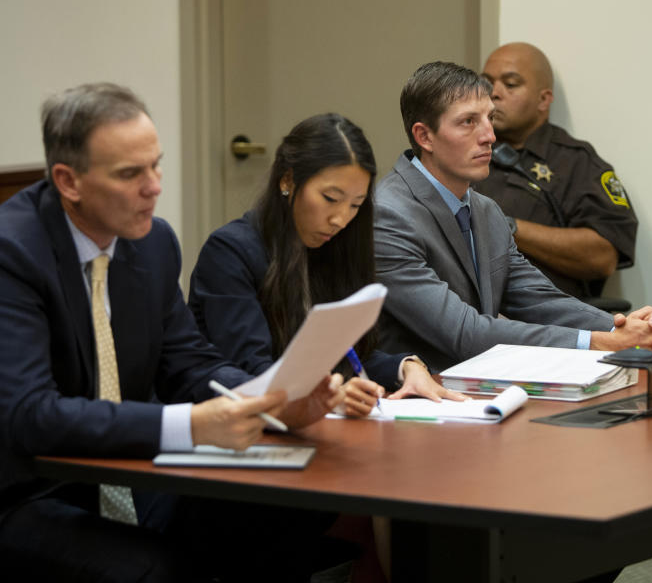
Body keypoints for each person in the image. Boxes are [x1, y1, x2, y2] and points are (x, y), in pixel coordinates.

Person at [0, 83, 345, 582]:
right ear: (68, 181)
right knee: (153, 569)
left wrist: (273, 397)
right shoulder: (3, 253)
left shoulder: (153, 242)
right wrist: (193, 426)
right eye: (130, 174)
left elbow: (189, 362)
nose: (154, 187)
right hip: (24, 491)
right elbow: (30, 416)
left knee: (289, 510)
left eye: (156, 165)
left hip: (131, 473)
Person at [374, 61, 652, 372]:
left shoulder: (485, 209)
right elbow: (463, 332)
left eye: (489, 118)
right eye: (468, 122)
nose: (489, 136)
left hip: (481, 387)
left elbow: (537, 298)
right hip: (415, 398)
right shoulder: (388, 215)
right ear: (425, 137)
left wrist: (625, 328)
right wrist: (598, 342)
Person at [189, 113, 466, 415]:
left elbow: (351, 355)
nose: (341, 219)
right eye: (330, 198)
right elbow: (252, 370)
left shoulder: (334, 246)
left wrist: (405, 367)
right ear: (287, 180)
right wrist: (326, 395)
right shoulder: (230, 252)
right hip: (242, 429)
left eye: (355, 205)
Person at [473, 42, 638, 300]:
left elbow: (603, 256)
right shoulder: (462, 151)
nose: (494, 93)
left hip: (544, 321)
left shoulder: (575, 162)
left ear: (544, 99)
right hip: (465, 313)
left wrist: (507, 227)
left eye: (511, 84)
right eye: (486, 82)